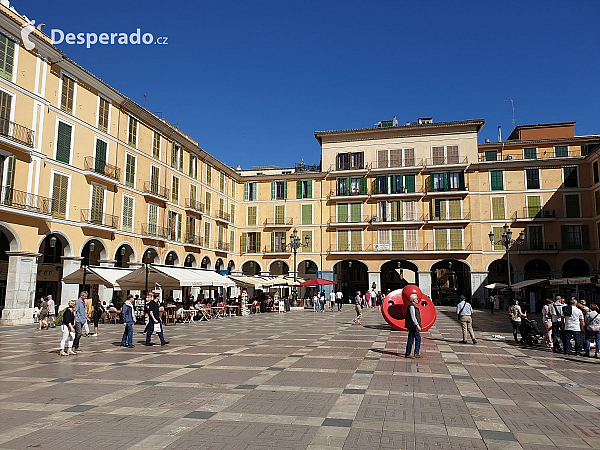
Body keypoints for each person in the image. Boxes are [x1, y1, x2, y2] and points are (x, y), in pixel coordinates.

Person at [405, 294, 422, 359]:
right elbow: (413, 317)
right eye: (417, 299)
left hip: (413, 326)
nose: (418, 300)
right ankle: (412, 353)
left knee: (412, 339)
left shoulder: (413, 306)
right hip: (413, 326)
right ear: (413, 299)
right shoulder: (411, 306)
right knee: (415, 339)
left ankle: (412, 353)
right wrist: (417, 325)